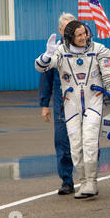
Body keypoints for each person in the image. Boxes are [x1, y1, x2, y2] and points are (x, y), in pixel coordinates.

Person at [35, 20, 110, 199]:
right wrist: (47, 54)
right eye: (79, 35)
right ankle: (83, 182)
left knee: (89, 140)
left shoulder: (100, 50)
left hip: (93, 101)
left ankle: (92, 181)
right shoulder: (61, 51)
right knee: (75, 145)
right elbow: (41, 67)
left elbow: (108, 76)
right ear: (69, 37)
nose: (83, 37)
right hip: (71, 104)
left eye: (85, 33)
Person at [39, 13, 76, 195]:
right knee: (62, 141)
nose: (69, 30)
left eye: (73, 26)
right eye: (66, 27)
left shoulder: (89, 48)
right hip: (62, 101)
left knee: (86, 140)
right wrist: (44, 104)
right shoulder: (54, 50)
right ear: (60, 30)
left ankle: (88, 178)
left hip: (83, 100)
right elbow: (46, 77)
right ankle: (67, 181)